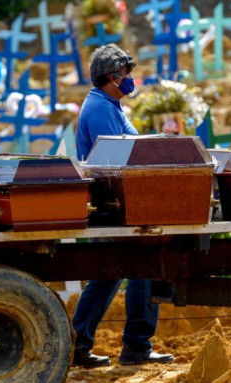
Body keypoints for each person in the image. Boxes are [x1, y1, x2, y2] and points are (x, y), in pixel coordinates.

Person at [72, 44, 174, 368]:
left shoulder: (109, 104)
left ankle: (77, 344)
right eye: (127, 73)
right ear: (112, 77)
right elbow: (119, 161)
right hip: (116, 205)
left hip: (116, 203)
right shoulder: (102, 109)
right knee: (142, 267)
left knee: (107, 277)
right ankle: (137, 347)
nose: (131, 78)